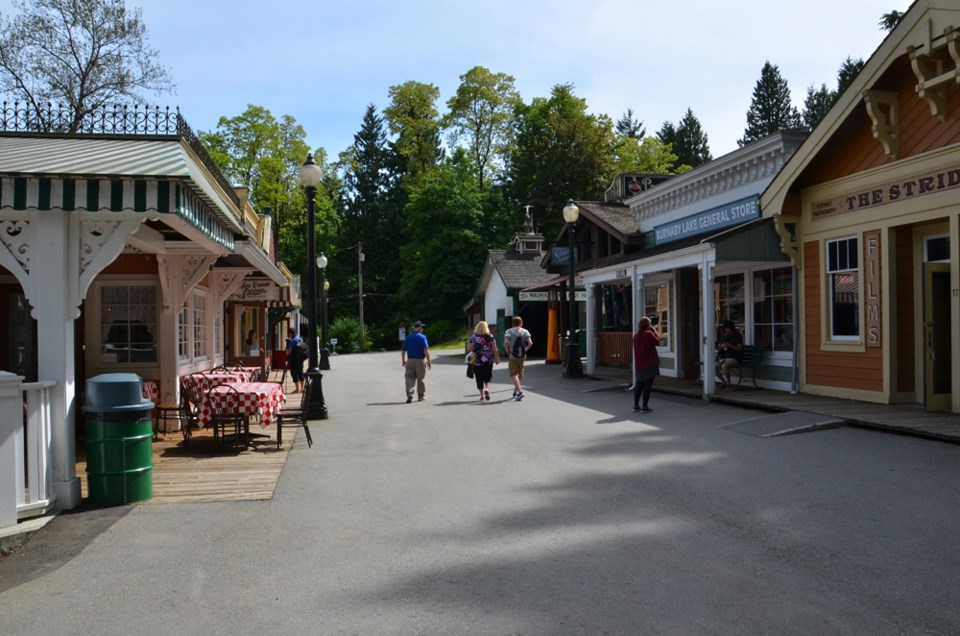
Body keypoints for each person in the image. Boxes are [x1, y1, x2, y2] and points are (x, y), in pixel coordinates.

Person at [633, 316, 660, 413]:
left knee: (639, 385)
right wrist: (655, 331)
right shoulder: (648, 334)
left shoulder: (636, 336)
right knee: (647, 386)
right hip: (649, 363)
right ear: (648, 325)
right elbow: (657, 341)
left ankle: (636, 405)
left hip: (639, 364)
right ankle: (645, 406)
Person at [401, 320, 432, 403]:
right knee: (421, 378)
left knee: (409, 377)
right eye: (422, 327)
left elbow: (403, 350)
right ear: (417, 328)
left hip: (410, 360)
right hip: (420, 361)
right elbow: (426, 350)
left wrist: (403, 360)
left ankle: (410, 394)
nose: (423, 329)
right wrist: (429, 361)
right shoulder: (422, 337)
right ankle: (421, 396)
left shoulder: (408, 337)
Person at [469, 321, 500, 402]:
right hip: (488, 360)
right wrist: (497, 358)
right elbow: (495, 349)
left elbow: (470, 348)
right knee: (488, 377)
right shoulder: (490, 336)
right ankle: (487, 389)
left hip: (477, 361)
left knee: (479, 378)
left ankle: (482, 396)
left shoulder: (473, 337)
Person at [503, 316, 532, 401]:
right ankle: (515, 393)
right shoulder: (525, 331)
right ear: (521, 323)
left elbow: (506, 342)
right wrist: (525, 350)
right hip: (522, 356)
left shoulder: (509, 331)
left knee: (514, 374)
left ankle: (519, 392)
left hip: (513, 356)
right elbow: (530, 343)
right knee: (520, 374)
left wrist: (507, 350)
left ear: (513, 323)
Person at [715, 320, 744, 390]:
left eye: (728, 328)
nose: (726, 330)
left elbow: (739, 349)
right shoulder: (726, 336)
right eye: (725, 328)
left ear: (731, 328)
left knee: (725, 365)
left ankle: (729, 384)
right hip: (725, 356)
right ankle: (723, 382)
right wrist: (720, 346)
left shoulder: (737, 336)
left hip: (735, 357)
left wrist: (729, 345)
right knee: (714, 367)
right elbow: (719, 346)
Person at [285, 328, 305, 394]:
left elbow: (289, 352)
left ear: (290, 333)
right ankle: (302, 388)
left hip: (294, 360)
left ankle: (297, 389)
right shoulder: (300, 339)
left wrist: (286, 351)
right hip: (300, 360)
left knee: (294, 374)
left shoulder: (292, 341)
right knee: (300, 373)